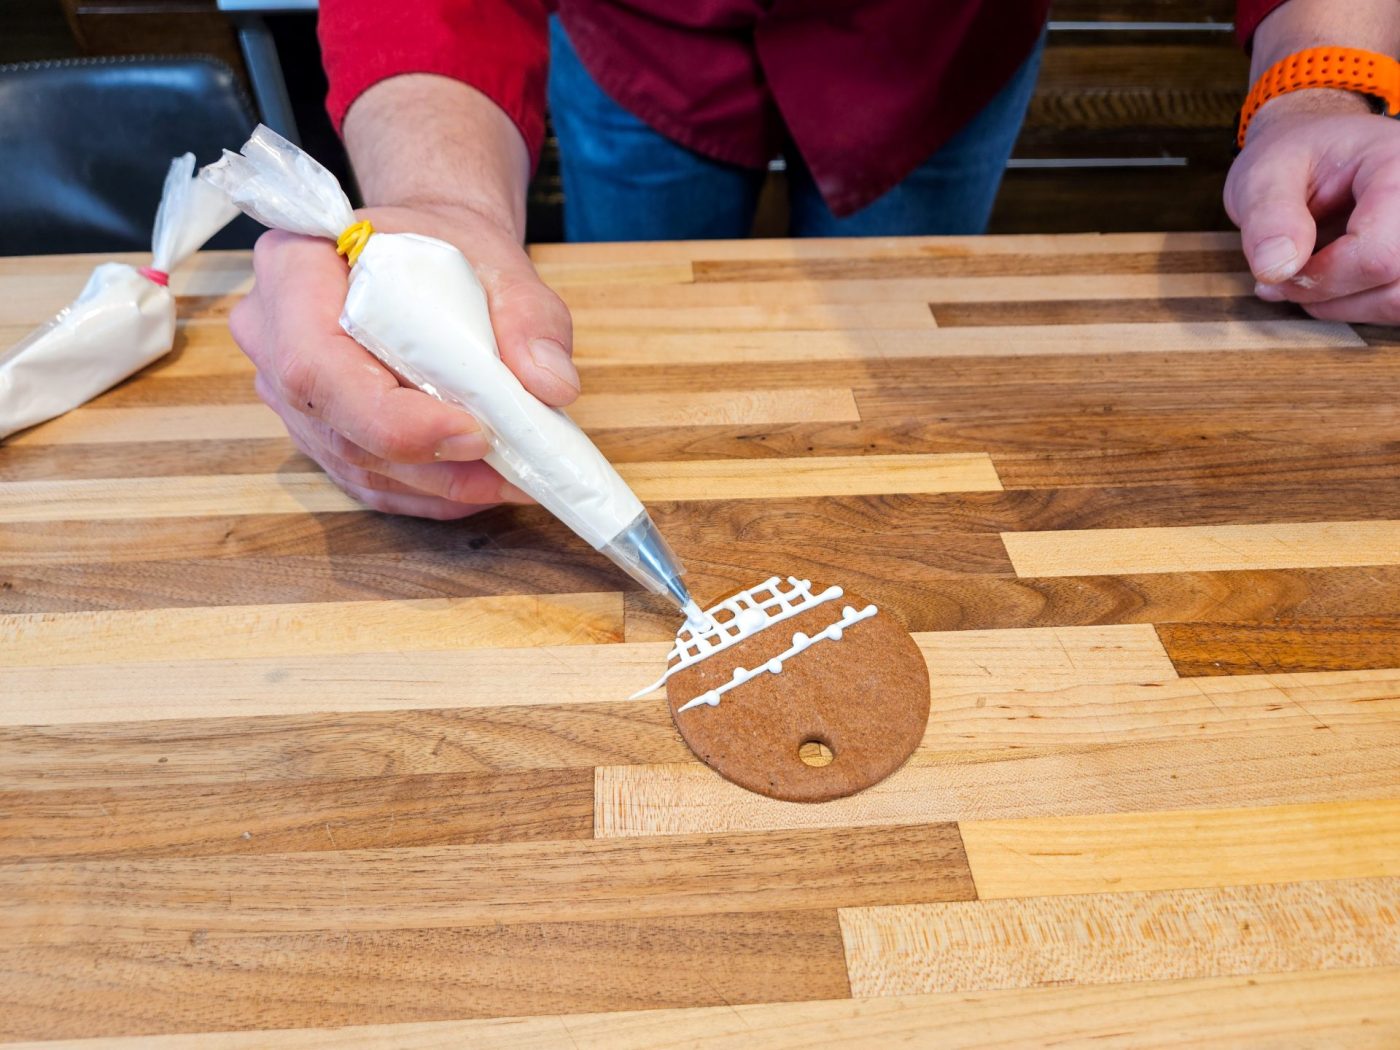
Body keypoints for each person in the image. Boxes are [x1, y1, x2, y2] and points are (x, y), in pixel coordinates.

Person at [229, 0, 1400, 521]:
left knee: (905, 385)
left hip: (929, 50)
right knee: (587, 353)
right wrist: (436, 199)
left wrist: (1315, 85)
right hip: (642, 45)